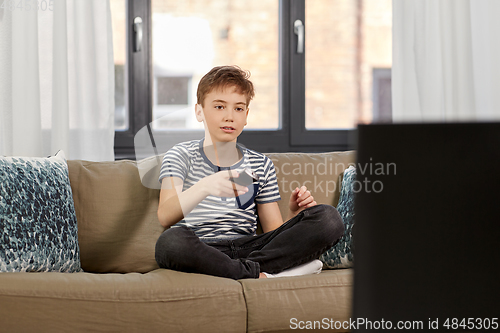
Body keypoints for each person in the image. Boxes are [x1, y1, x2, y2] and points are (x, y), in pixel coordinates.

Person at [155, 65, 343, 279]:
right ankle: (261, 275)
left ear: (246, 115)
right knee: (170, 242)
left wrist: (293, 216)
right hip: (204, 249)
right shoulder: (180, 155)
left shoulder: (259, 164)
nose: (229, 116)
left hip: (251, 249)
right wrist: (205, 186)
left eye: (238, 108)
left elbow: (273, 234)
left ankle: (245, 271)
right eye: (219, 107)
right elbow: (165, 215)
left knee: (329, 218)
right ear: (199, 111)